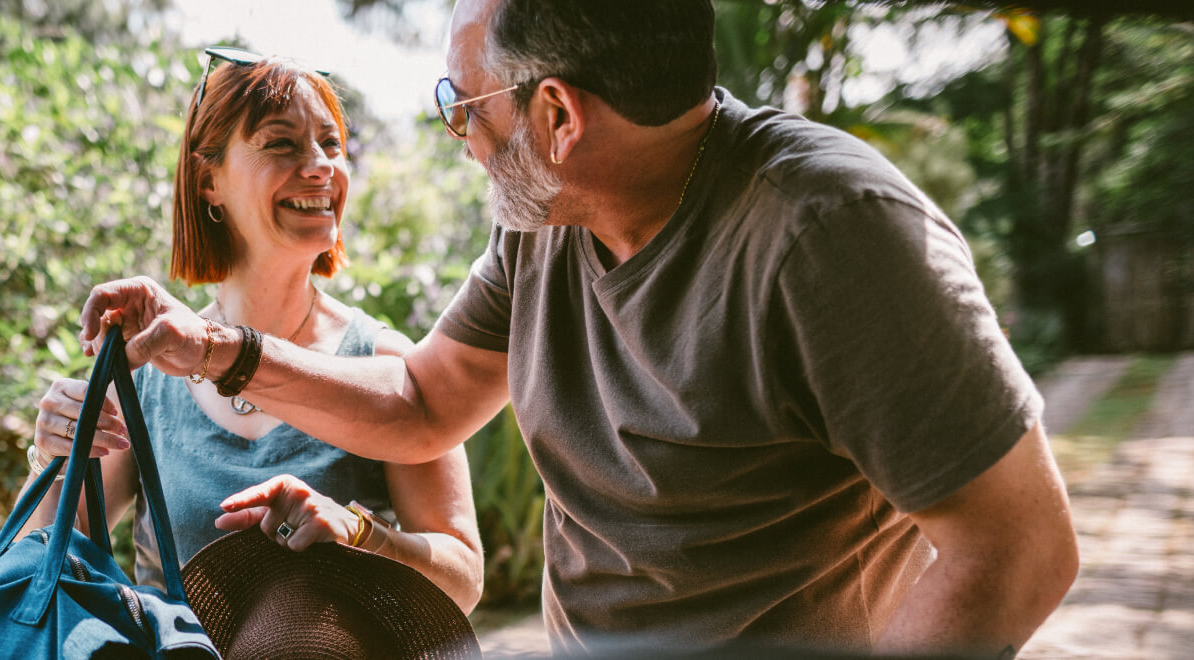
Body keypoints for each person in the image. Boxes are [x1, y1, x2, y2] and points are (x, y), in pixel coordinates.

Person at [70, 1, 1080, 656]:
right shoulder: (545, 220)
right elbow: (424, 403)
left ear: (557, 116)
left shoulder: (830, 231)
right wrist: (217, 352)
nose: (456, 137)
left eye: (458, 105)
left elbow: (1019, 548)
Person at [16, 49, 484, 613]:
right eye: (281, 143)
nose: (320, 166)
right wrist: (50, 458)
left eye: (331, 144)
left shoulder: (384, 362)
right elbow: (38, 568)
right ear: (208, 179)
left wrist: (359, 534)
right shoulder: (144, 373)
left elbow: (462, 579)